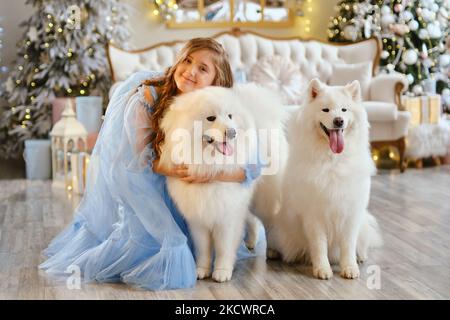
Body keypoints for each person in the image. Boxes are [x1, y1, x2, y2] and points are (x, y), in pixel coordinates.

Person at [40, 38, 263, 290]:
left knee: (215, 225)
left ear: (216, 80)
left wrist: (211, 174)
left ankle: (242, 224)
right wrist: (170, 168)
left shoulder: (224, 105)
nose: (190, 71)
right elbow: (136, 160)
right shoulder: (147, 96)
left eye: (203, 69)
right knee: (173, 249)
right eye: (187, 61)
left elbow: (252, 168)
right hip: (151, 181)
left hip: (200, 184)